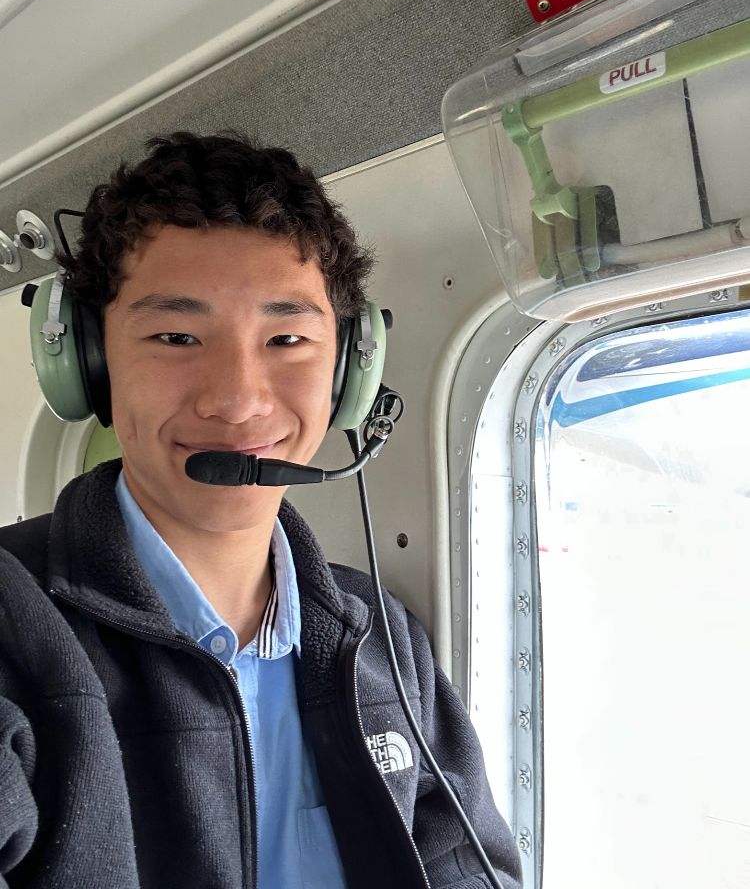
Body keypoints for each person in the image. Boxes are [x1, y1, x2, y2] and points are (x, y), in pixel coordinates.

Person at [0, 133, 522, 889]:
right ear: (88, 362)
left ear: (348, 371)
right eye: (176, 336)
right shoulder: (13, 630)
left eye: (287, 338)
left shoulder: (382, 637)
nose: (238, 400)